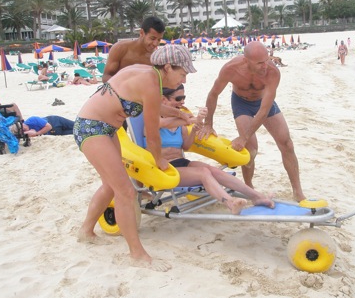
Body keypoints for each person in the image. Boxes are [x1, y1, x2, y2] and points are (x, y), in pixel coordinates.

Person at [74, 45, 196, 272]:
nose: (184, 80)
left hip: (104, 128)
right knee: (126, 191)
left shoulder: (148, 73)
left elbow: (155, 105)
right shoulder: (150, 82)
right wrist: (159, 160)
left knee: (111, 186)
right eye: (183, 73)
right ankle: (137, 254)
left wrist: (180, 114)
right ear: (168, 67)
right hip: (92, 129)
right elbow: (151, 134)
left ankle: (86, 231)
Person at [198, 41, 306, 202]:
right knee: (251, 149)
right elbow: (213, 93)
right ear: (246, 60)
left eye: (267, 60)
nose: (265, 66)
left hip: (264, 104)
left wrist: (244, 136)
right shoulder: (231, 68)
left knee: (287, 144)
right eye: (260, 63)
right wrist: (208, 123)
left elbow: (263, 111)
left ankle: (297, 191)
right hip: (241, 103)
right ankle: (249, 187)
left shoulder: (273, 72)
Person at [148, 84, 275, 214]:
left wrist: (193, 131)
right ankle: (230, 203)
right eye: (178, 98)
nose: (182, 102)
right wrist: (191, 119)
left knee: (214, 171)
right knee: (203, 172)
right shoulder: (152, 118)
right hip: (163, 168)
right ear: (164, 100)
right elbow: (162, 124)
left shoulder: (181, 123)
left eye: (184, 98)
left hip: (180, 162)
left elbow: (185, 146)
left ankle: (257, 196)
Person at [102, 16, 166, 82]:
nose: (155, 44)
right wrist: (125, 87)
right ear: (141, 33)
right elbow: (106, 76)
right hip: (118, 90)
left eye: (159, 40)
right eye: (152, 38)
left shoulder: (155, 58)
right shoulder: (121, 48)